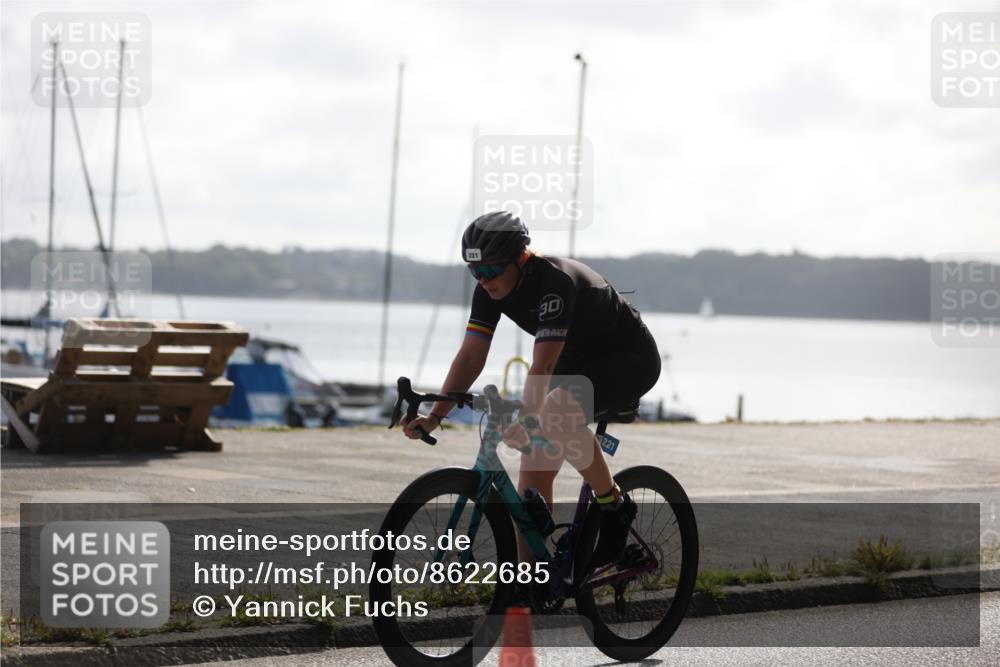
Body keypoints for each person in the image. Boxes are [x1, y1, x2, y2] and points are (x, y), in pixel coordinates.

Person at [401, 210, 661, 568]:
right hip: (575, 362)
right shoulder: (488, 291)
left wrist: (527, 416)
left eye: (491, 269)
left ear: (520, 258)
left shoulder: (555, 283)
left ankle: (614, 507)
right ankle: (531, 579)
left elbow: (543, 366)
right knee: (532, 477)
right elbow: (471, 356)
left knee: (553, 414)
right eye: (475, 271)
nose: (484, 278)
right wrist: (434, 416)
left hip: (628, 359)